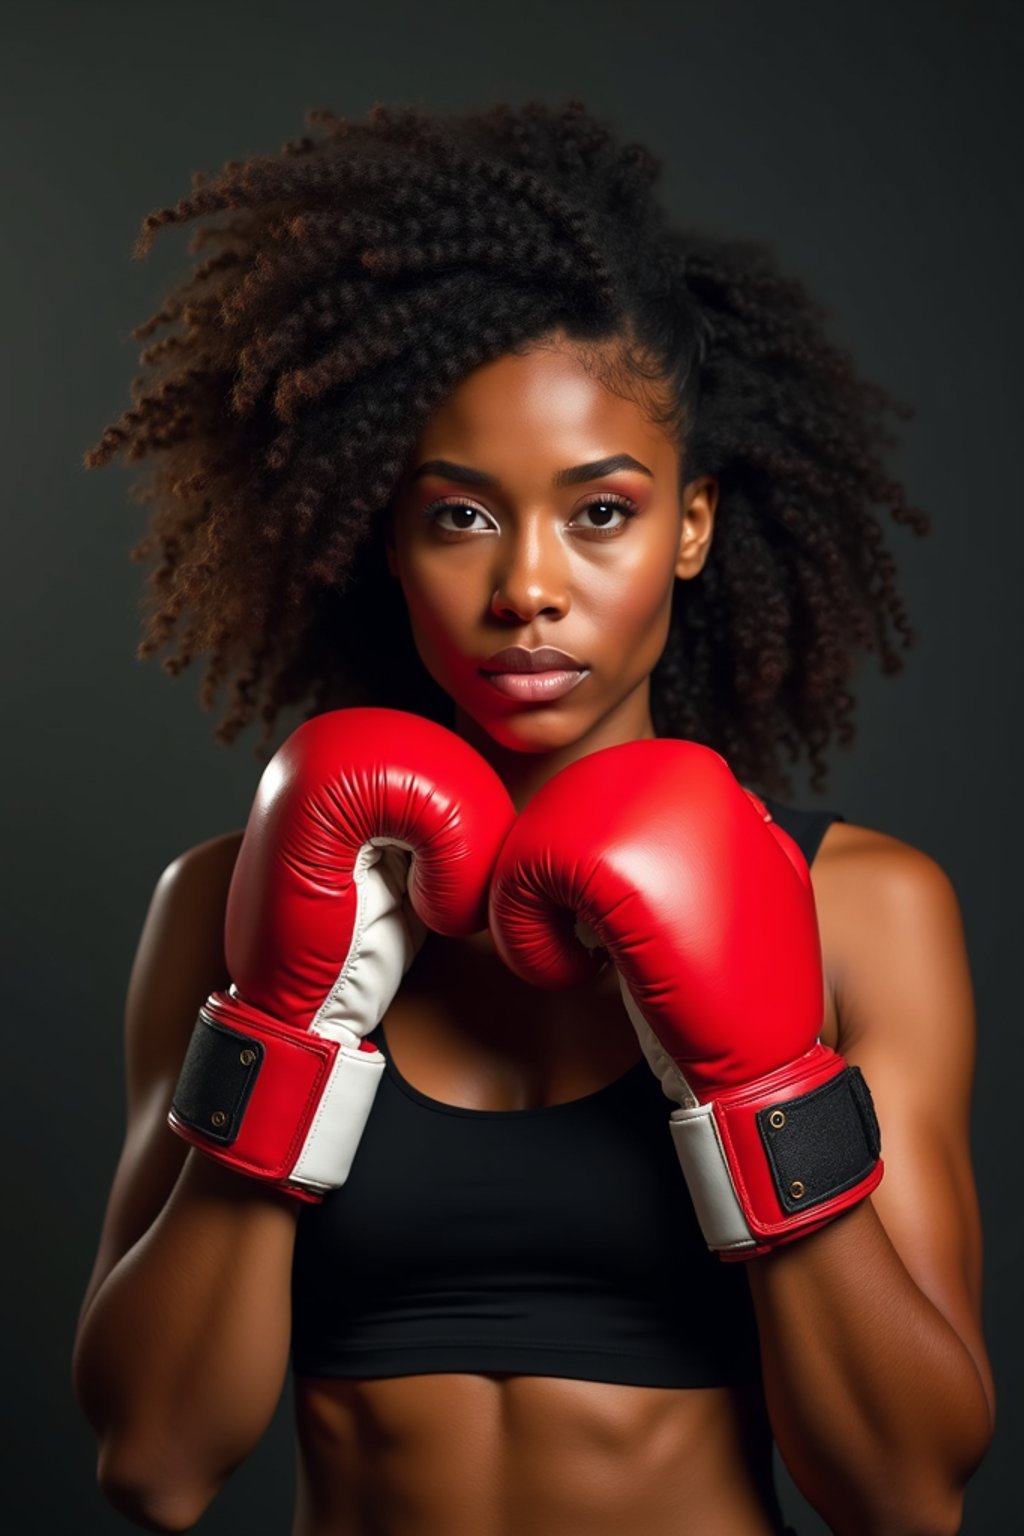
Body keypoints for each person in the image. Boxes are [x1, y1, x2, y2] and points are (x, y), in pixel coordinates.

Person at [72, 99, 994, 1535]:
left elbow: (905, 1493)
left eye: (602, 511)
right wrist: (294, 1037)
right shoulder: (225, 898)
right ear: (386, 536)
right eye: (460, 516)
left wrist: (754, 1086)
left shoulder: (861, 906)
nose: (528, 589)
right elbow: (155, 1464)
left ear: (690, 525)